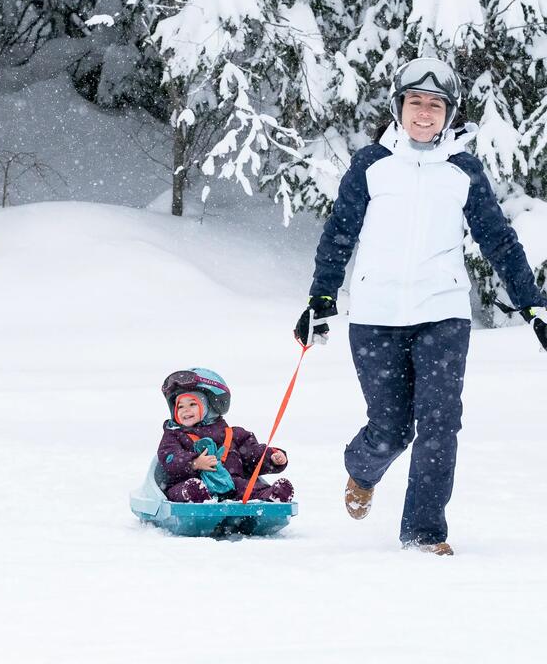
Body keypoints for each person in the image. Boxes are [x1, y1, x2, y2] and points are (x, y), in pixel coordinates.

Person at [294, 56, 547, 556]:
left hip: (443, 312)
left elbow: (498, 240)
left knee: (440, 422)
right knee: (389, 431)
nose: (425, 113)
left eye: (436, 105)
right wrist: (321, 297)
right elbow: (339, 234)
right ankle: (362, 470)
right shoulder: (371, 164)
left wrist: (533, 305)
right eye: (416, 103)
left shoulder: (462, 170)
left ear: (449, 114)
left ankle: (424, 533)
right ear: (398, 106)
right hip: (375, 315)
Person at [156, 368, 294, 503]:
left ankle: (274, 496)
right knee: (185, 489)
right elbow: (169, 457)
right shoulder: (174, 435)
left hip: (230, 484)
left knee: (248, 487)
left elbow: (252, 455)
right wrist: (194, 463)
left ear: (210, 407)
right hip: (192, 482)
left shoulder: (234, 434)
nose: (185, 410)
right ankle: (198, 499)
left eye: (192, 404)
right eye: (180, 406)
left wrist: (272, 457)